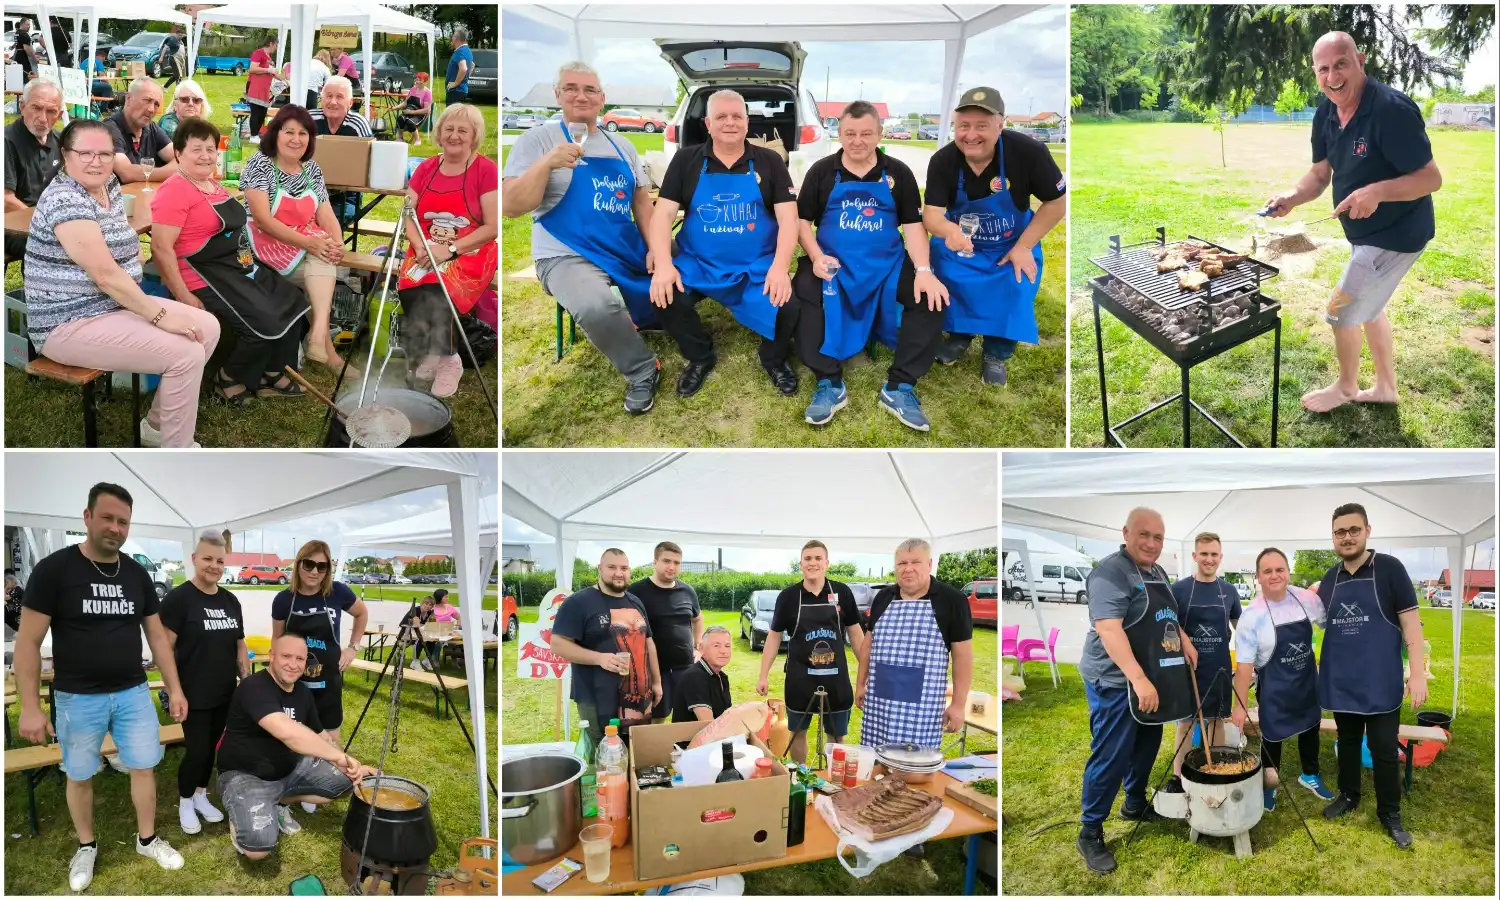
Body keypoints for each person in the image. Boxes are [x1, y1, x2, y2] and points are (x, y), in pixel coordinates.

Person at [12, 482, 188, 891]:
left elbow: (157, 637)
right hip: (77, 697)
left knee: (144, 766)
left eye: (123, 521)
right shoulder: (55, 570)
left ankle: (147, 839)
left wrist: (175, 688)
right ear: (87, 517)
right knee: (79, 774)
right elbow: (28, 643)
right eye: (107, 518)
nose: (115, 528)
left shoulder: (136, 574)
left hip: (133, 692)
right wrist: (31, 707)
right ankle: (86, 846)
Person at [1267, 33, 1442, 414]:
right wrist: (1292, 198)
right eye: (1323, 69)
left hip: (1396, 235)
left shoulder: (1391, 111)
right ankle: (1386, 387)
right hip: (1365, 235)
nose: (1333, 77)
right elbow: (1319, 174)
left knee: (1340, 310)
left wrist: (1376, 192)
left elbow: (1431, 179)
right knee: (1370, 308)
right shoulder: (1326, 113)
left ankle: (1346, 387)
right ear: (1315, 73)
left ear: (1360, 61)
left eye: (1341, 64)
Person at [24, 119, 221, 448]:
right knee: (185, 353)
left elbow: (118, 241)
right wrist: (160, 316)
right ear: (65, 154)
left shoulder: (109, 185)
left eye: (104, 154)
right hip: (68, 321)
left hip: (113, 306)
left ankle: (157, 428)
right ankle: (178, 453)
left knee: (208, 327)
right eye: (85, 153)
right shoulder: (64, 199)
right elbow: (104, 274)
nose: (96, 161)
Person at [501, 61, 661, 413]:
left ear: (602, 99)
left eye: (590, 90)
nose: (581, 96)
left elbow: (641, 203)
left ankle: (645, 320)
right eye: (571, 88)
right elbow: (511, 206)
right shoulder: (536, 140)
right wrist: (547, 164)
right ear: (557, 95)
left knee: (688, 266)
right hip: (565, 254)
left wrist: (657, 250)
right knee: (595, 306)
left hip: (621, 247)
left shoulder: (622, 145)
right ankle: (642, 370)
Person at [791, 100, 950, 430]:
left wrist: (924, 271)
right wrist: (817, 257)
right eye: (850, 133)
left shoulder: (898, 173)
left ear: (879, 134)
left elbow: (913, 226)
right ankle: (829, 383)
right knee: (804, 290)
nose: (857, 141)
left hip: (887, 265)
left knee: (929, 298)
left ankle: (900, 387)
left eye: (866, 134)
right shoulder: (822, 171)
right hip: (833, 264)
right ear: (839, 134)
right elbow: (802, 222)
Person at [649, 89, 800, 399]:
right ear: (708, 124)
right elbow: (662, 215)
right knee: (665, 296)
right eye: (721, 116)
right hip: (699, 264)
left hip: (754, 266)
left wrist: (780, 268)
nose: (729, 122)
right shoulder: (686, 160)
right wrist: (664, 265)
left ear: (747, 122)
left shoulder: (770, 161)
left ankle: (773, 359)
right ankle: (700, 357)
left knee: (789, 305)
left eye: (736, 116)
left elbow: (789, 219)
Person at [1073, 508, 1199, 875]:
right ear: (1126, 533)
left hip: (1151, 674)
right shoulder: (1109, 573)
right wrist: (1138, 679)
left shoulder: (1157, 572)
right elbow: (1109, 629)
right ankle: (1090, 831)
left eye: (1158, 537)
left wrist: (1185, 640)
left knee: (1147, 742)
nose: (1151, 543)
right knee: (1111, 753)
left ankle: (1133, 802)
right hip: (1115, 680)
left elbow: (1167, 617)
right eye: (1144, 534)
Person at [152, 116, 310, 407]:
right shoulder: (174, 190)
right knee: (260, 322)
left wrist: (250, 265)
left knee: (292, 301)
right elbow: (161, 248)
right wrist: (183, 294)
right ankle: (229, 377)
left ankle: (272, 370)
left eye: (210, 149)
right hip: (201, 275)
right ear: (178, 153)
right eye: (196, 149)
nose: (205, 156)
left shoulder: (212, 184)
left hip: (236, 266)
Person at [923, 87, 1065, 388]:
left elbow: (1057, 203)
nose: (971, 135)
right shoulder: (943, 161)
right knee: (946, 271)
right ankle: (959, 336)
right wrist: (950, 231)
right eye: (964, 126)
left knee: (1015, 282)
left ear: (1001, 125)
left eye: (982, 126)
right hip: (963, 243)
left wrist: (1024, 246)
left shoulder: (1028, 153)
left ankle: (996, 352)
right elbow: (932, 216)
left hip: (1010, 243)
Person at [1316, 502, 1425, 848]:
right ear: (1333, 537)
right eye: (1340, 532)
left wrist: (1417, 673)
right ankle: (1349, 795)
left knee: (1384, 750)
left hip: (1380, 681)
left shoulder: (1390, 569)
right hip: (1342, 681)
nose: (1347, 537)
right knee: (1347, 743)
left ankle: (1389, 813)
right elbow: (1317, 622)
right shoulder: (1330, 579)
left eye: (1354, 530)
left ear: (1367, 531)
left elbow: (1412, 626)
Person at [856, 537, 972, 859]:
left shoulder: (951, 600)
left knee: (916, 770)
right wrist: (860, 683)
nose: (908, 569)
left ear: (930, 565)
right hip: (880, 697)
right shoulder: (883, 597)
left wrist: (958, 704)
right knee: (878, 760)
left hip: (922, 703)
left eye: (915, 562)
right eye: (902, 564)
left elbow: (963, 655)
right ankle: (874, 816)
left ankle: (914, 828)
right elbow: (868, 643)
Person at [216, 634, 377, 859]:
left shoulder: (302, 692)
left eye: (300, 659)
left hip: (289, 769)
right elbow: (288, 733)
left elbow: (321, 735)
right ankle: (242, 814)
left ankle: (279, 801)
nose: (293, 664)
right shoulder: (254, 686)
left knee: (344, 781)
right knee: (257, 850)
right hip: (245, 775)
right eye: (286, 656)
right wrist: (337, 758)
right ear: (272, 656)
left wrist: (348, 762)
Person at [396, 103, 498, 397]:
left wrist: (450, 249)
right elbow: (408, 215)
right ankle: (435, 351)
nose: (454, 136)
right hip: (426, 245)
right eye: (449, 129)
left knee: (439, 288)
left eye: (462, 130)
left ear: (474, 136)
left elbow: (491, 227)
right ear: (439, 134)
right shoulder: (426, 168)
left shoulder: (486, 170)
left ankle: (451, 360)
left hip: (470, 248)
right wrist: (419, 246)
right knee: (411, 287)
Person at [242, 105, 350, 377]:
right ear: (275, 133)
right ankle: (324, 345)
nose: (296, 139)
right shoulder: (260, 164)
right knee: (321, 266)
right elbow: (263, 220)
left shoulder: (311, 168)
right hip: (263, 243)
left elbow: (326, 213)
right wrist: (309, 243)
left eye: (303, 133)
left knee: (325, 257)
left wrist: (338, 243)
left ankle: (318, 337)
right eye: (289, 132)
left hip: (302, 239)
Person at [159, 530, 249, 836]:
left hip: (225, 694)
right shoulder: (179, 599)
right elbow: (164, 649)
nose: (214, 565)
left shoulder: (231, 601)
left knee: (211, 749)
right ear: (194, 559)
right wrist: (174, 691)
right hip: (192, 695)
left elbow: (239, 645)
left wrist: (246, 683)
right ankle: (185, 801)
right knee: (197, 752)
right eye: (208, 559)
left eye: (220, 561)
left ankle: (200, 795)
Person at [270, 540, 369, 817]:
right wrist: (274, 674)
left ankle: (318, 783)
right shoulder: (284, 600)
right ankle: (288, 788)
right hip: (294, 683)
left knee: (329, 738)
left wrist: (353, 647)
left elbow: (361, 613)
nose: (315, 571)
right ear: (299, 564)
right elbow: (277, 639)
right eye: (309, 564)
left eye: (322, 566)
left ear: (328, 569)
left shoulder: (337, 592)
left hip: (328, 682)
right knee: (292, 737)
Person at [1230, 548, 1332, 813]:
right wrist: (1240, 705)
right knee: (1272, 736)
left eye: (1279, 569)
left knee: (1311, 726)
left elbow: (1329, 624)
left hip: (1306, 681)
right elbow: (1244, 666)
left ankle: (1309, 774)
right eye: (1267, 571)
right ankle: (1269, 786)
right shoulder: (1252, 616)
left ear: (1288, 572)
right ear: (1258, 577)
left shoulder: (1305, 599)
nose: (1274, 575)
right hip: (1274, 687)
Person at [759, 541, 864, 764]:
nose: (812, 563)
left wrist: (867, 672)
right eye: (807, 559)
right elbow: (774, 637)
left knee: (837, 736)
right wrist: (763, 675)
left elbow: (856, 634)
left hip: (835, 678)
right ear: (801, 564)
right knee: (797, 732)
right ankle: (801, 775)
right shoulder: (788, 597)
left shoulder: (842, 593)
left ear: (827, 563)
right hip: (800, 678)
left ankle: (833, 776)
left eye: (818, 558)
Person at [549, 549, 662, 745]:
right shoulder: (578, 602)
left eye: (624, 568)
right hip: (595, 696)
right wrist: (599, 658)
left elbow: (648, 642)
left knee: (637, 748)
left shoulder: (635, 601)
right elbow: (558, 644)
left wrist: (657, 682)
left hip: (638, 697)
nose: (619, 573)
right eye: (612, 567)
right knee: (603, 751)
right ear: (599, 569)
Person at [1166, 532, 1241, 787]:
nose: (1209, 559)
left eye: (1214, 554)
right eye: (1204, 554)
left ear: (1221, 557)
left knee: (1217, 719)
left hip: (1219, 666)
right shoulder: (1179, 589)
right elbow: (1168, 624)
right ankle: (1178, 777)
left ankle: (1215, 770)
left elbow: (1241, 628)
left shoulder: (1229, 591)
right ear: (1195, 556)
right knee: (1185, 722)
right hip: (1187, 667)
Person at [629, 542, 704, 723]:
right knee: (656, 719)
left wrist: (697, 646)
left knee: (687, 718)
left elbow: (697, 618)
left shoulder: (687, 591)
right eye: (666, 561)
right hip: (652, 670)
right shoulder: (636, 591)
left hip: (685, 667)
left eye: (676, 563)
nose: (672, 567)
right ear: (655, 562)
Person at [3, 78, 63, 264]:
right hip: (10, 224)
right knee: (57, 248)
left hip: (49, 221)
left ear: (59, 115)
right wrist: (46, 225)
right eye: (36, 108)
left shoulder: (61, 141)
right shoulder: (6, 140)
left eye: (51, 111)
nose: (43, 118)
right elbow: (5, 200)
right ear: (22, 107)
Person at [310, 76, 372, 227]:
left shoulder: (358, 124)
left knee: (331, 219)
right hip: (309, 192)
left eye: (339, 97)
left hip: (346, 196)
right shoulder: (309, 119)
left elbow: (371, 162)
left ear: (350, 102)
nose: (333, 102)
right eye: (328, 96)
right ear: (321, 99)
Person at [104, 77, 178, 185]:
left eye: (156, 104)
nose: (151, 109)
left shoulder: (151, 128)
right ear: (128, 98)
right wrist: (175, 170)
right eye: (147, 100)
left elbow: (181, 158)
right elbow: (127, 173)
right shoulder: (108, 129)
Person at [673, 626, 734, 723]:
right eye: (716, 646)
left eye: (727, 646)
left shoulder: (722, 677)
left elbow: (728, 717)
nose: (723, 651)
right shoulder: (694, 678)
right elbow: (708, 724)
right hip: (696, 733)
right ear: (701, 648)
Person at [245, 34, 279, 138]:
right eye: (276, 45)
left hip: (265, 89)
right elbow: (252, 69)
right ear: (271, 43)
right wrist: (268, 70)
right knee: (256, 112)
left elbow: (273, 73)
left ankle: (257, 134)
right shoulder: (258, 53)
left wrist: (285, 80)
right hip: (256, 87)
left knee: (262, 113)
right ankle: (253, 135)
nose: (276, 48)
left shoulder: (269, 57)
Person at [397, 595, 437, 670]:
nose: (428, 606)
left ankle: (427, 660)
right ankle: (415, 661)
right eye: (426, 604)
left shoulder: (428, 613)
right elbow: (416, 625)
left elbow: (431, 625)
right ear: (422, 603)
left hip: (418, 633)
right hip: (407, 633)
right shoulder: (415, 611)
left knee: (432, 640)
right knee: (421, 639)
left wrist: (433, 615)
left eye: (430, 605)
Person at [397, 72, 434, 145]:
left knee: (410, 122)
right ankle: (400, 138)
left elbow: (426, 110)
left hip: (421, 114)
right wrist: (395, 107)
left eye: (420, 80)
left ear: (425, 82)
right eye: (416, 79)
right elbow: (405, 103)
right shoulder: (412, 90)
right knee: (400, 119)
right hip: (409, 111)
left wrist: (411, 112)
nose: (417, 81)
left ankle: (417, 140)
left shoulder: (427, 92)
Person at [445, 27, 473, 106]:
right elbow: (472, 65)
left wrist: (456, 83)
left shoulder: (460, 51)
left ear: (456, 38)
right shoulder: (467, 50)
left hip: (455, 91)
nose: (452, 38)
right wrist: (465, 78)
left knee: (452, 114)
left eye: (453, 36)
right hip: (461, 90)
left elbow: (463, 69)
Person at [160, 25, 184, 90]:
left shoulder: (180, 41)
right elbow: (165, 48)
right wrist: (161, 57)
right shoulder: (172, 39)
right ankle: (179, 90)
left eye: (182, 36)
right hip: (173, 59)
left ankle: (165, 87)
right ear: (177, 34)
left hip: (179, 60)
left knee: (176, 75)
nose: (181, 37)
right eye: (180, 35)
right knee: (178, 76)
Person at [5, 568, 24, 633]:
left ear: (13, 582)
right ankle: (18, 631)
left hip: (20, 609)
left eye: (8, 582)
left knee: (8, 617)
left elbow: (5, 597)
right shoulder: (13, 590)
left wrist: (6, 588)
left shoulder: (17, 589)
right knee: (7, 617)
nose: (7, 584)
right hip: (15, 609)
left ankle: (20, 631)